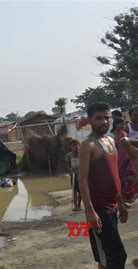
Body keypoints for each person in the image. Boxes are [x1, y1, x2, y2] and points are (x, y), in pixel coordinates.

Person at [78, 102, 128, 269]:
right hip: (99, 209)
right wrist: (90, 211)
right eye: (99, 118)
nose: (104, 122)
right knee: (118, 256)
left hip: (112, 207)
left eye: (107, 118)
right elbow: (82, 179)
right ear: (90, 120)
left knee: (105, 257)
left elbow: (115, 176)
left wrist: (120, 203)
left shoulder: (111, 141)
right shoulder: (87, 145)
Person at [66, 139, 81, 211]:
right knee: (74, 191)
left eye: (77, 145)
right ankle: (75, 206)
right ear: (71, 147)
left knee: (81, 191)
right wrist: (72, 170)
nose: (75, 147)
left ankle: (79, 205)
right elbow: (68, 165)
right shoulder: (69, 155)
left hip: (81, 176)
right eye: (73, 145)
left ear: (79, 145)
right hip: (73, 176)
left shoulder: (82, 154)